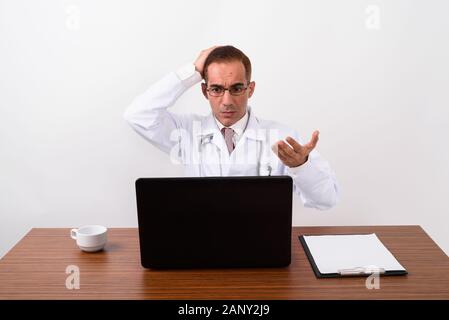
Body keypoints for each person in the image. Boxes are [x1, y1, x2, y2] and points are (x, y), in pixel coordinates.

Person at [124, 45, 338, 210]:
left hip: (261, 243)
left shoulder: (283, 137)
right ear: (204, 91)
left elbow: (327, 200)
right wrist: (192, 71)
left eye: (236, 88)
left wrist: (301, 166)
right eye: (216, 89)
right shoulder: (187, 131)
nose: (226, 101)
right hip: (201, 243)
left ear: (250, 89)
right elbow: (138, 115)